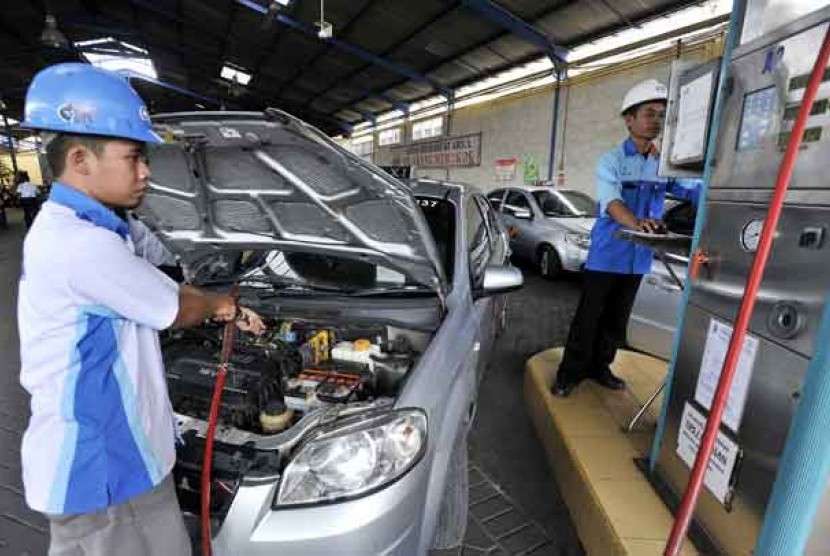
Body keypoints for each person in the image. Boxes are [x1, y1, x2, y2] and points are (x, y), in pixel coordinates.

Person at [17, 63, 266, 556]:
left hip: (110, 464)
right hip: (104, 472)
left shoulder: (85, 228)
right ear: (82, 160)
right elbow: (174, 305)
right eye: (133, 157)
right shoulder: (80, 244)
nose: (146, 171)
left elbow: (154, 274)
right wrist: (221, 303)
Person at [552, 79, 701, 397]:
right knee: (588, 318)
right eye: (649, 113)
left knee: (616, 322)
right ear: (629, 119)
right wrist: (637, 224)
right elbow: (612, 202)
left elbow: (693, 189)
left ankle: (599, 367)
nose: (656, 121)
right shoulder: (612, 161)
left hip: (639, 259)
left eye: (661, 115)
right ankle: (570, 373)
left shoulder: (664, 166)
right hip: (608, 255)